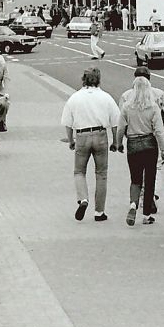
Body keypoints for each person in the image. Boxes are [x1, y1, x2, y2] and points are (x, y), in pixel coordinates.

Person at [61, 67, 120, 222]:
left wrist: (71, 140)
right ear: (99, 80)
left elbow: (67, 122)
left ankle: (83, 199)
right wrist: (115, 141)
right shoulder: (106, 97)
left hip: (82, 136)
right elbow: (115, 122)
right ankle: (99, 212)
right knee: (101, 174)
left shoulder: (75, 97)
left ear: (83, 79)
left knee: (79, 171)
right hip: (101, 135)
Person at [116, 76, 164, 225]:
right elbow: (159, 131)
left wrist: (119, 144)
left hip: (133, 144)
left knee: (135, 179)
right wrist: (163, 150)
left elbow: (120, 128)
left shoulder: (126, 107)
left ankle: (133, 204)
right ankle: (146, 215)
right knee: (150, 179)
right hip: (150, 144)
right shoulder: (153, 107)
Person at [120, 66, 164, 131]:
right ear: (149, 78)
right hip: (154, 130)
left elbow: (121, 116)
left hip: (133, 132)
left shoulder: (126, 95)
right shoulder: (160, 93)